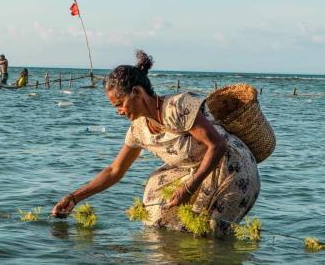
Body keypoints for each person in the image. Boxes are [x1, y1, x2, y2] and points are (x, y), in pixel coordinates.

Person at [52, 50, 260, 237]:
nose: (120, 112)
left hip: (232, 168)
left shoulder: (178, 107)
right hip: (196, 169)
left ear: (137, 92)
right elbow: (115, 170)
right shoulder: (138, 130)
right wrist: (74, 197)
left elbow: (217, 146)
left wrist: (188, 188)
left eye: (120, 104)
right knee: (162, 215)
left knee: (210, 236)